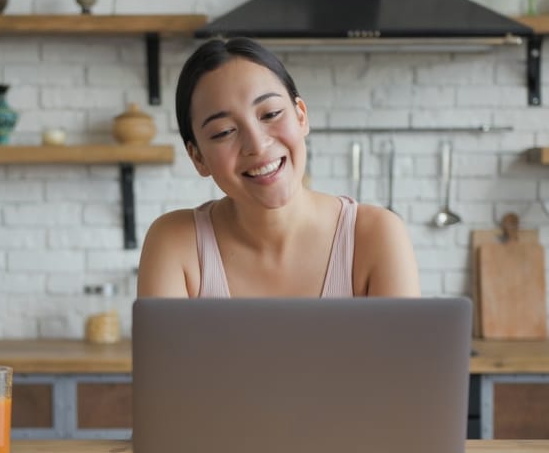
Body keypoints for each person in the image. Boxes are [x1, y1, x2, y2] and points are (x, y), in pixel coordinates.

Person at [137, 38, 420, 298]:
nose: (257, 145)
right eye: (224, 131)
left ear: (301, 117)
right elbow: (163, 356)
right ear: (197, 157)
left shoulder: (375, 235)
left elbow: (406, 354)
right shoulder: (175, 242)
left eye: (270, 114)